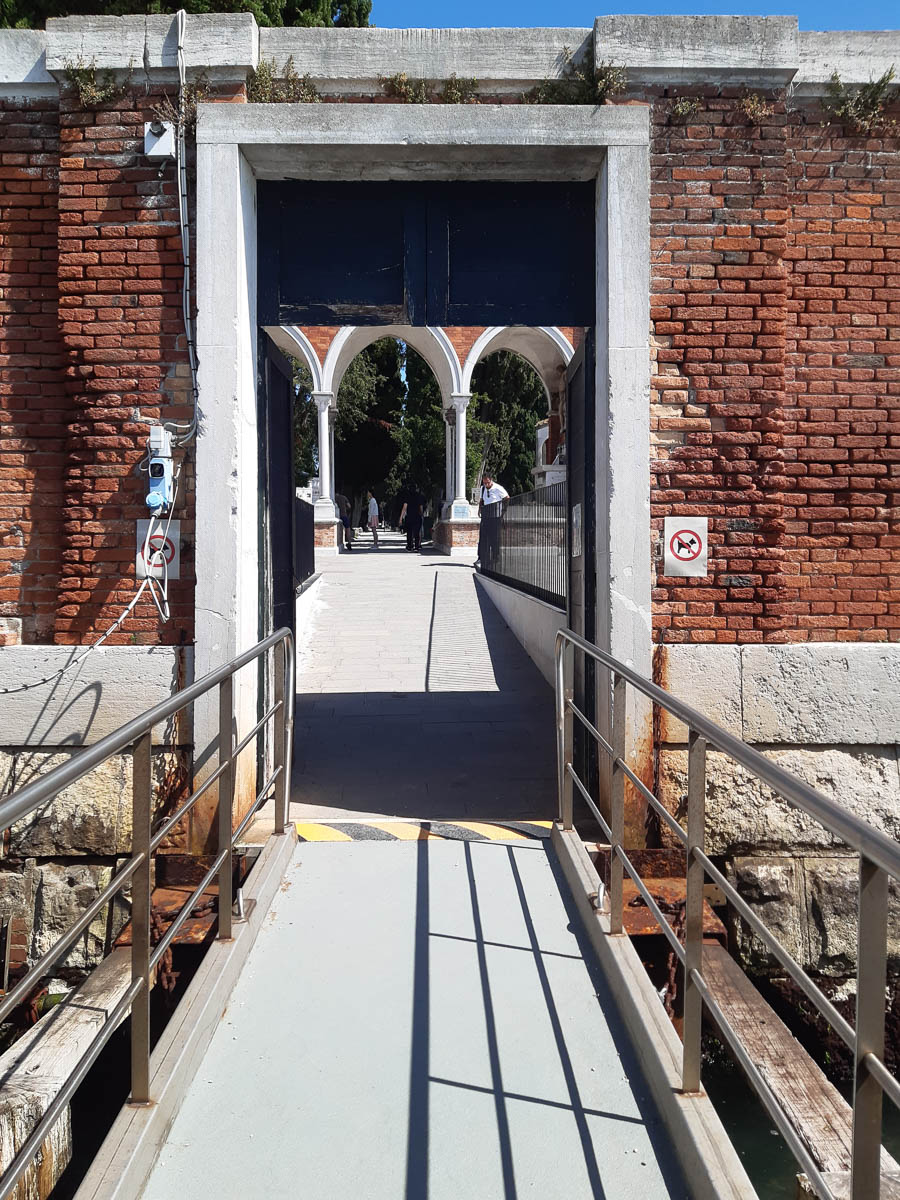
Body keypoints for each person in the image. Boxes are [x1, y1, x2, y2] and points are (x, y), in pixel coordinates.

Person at [477, 472, 509, 569]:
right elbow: (481, 500)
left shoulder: (498, 488)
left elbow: (507, 498)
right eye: (484, 483)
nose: (486, 484)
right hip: (486, 515)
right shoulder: (483, 488)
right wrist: (479, 509)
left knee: (495, 538)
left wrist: (503, 512)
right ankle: (481, 557)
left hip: (495, 516)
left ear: (491, 480)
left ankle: (496, 558)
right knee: (483, 537)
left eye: (488, 482)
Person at [399, 481, 424, 553]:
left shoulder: (407, 496)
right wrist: (421, 514)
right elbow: (421, 507)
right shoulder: (419, 496)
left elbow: (404, 508)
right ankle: (416, 547)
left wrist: (401, 518)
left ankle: (409, 546)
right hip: (417, 517)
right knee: (417, 532)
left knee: (409, 533)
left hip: (409, 517)